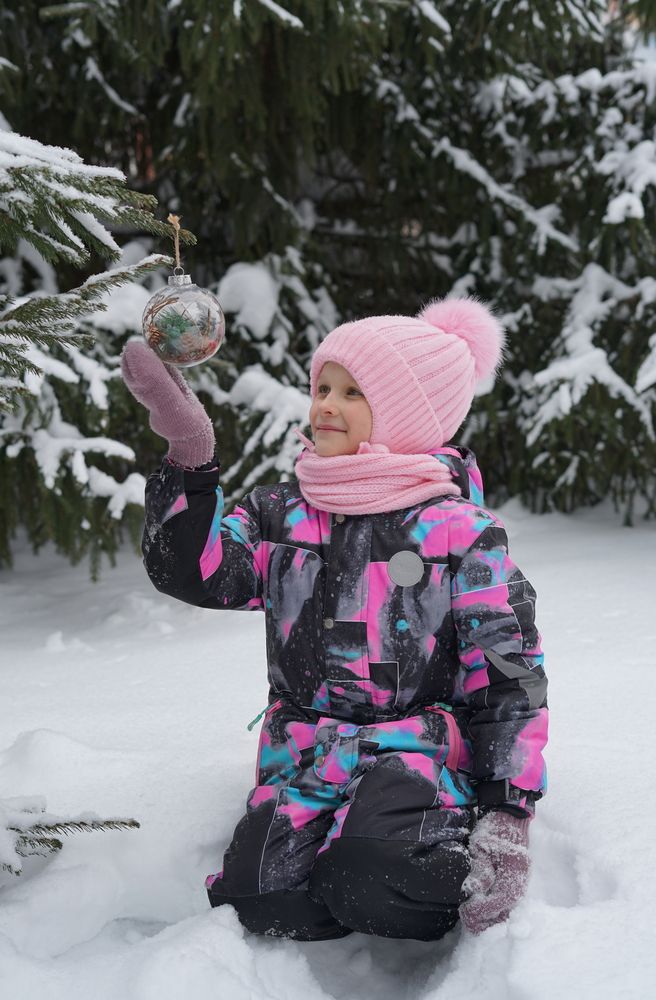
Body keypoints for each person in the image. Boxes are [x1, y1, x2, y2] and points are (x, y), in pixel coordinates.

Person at [120, 296, 547, 942]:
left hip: (419, 757)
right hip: (305, 758)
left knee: (369, 877)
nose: (324, 405)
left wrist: (507, 810)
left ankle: (406, 857)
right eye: (322, 387)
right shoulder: (280, 515)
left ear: (404, 414)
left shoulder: (459, 531)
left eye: (351, 393)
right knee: (256, 901)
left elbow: (509, 672)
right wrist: (190, 456)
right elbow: (196, 572)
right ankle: (337, 863)